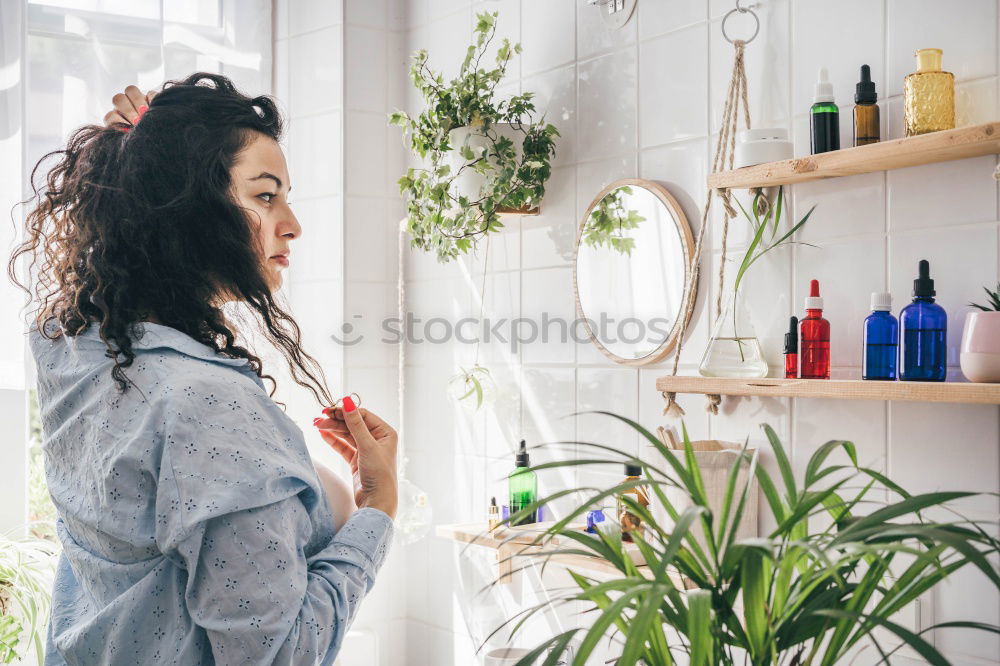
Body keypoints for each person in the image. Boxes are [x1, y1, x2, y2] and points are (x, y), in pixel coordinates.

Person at [9, 72, 398, 665]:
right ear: (188, 208)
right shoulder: (207, 401)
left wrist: (132, 164)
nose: (292, 223)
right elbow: (279, 653)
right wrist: (377, 507)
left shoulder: (79, 353)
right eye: (265, 196)